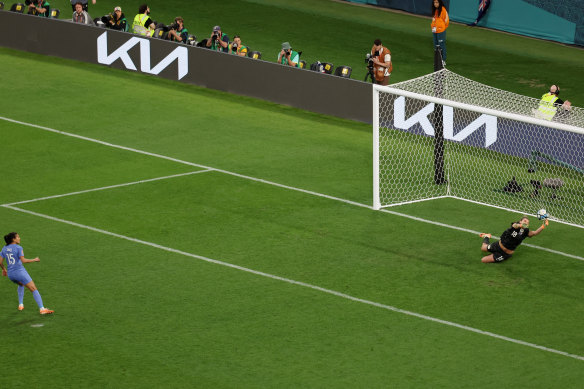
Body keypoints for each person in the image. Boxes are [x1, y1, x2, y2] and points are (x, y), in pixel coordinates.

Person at [0, 232, 54, 314]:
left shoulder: (4, 248)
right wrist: (35, 259)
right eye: (18, 237)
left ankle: (21, 304)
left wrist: (3, 269)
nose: (19, 238)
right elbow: (23, 260)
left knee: (21, 284)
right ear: (13, 239)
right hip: (19, 272)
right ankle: (42, 309)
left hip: (11, 274)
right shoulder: (18, 248)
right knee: (33, 288)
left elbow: (0, 262)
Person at [478, 216, 548, 263]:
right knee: (483, 248)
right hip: (498, 246)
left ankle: (494, 253)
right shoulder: (515, 225)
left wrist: (543, 226)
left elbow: (535, 233)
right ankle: (487, 236)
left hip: (505, 254)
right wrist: (520, 225)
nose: (526, 222)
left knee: (483, 260)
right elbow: (515, 225)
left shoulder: (526, 232)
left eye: (527, 222)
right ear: (520, 222)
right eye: (525, 221)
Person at [431, 0, 449, 64]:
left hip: (441, 31)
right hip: (434, 31)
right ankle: (437, 60)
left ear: (440, 3)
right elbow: (434, 20)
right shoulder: (435, 10)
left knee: (441, 45)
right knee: (436, 45)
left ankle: (443, 60)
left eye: (437, 2)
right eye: (434, 3)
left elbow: (446, 21)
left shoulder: (443, 10)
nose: (435, 4)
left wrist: (442, 28)